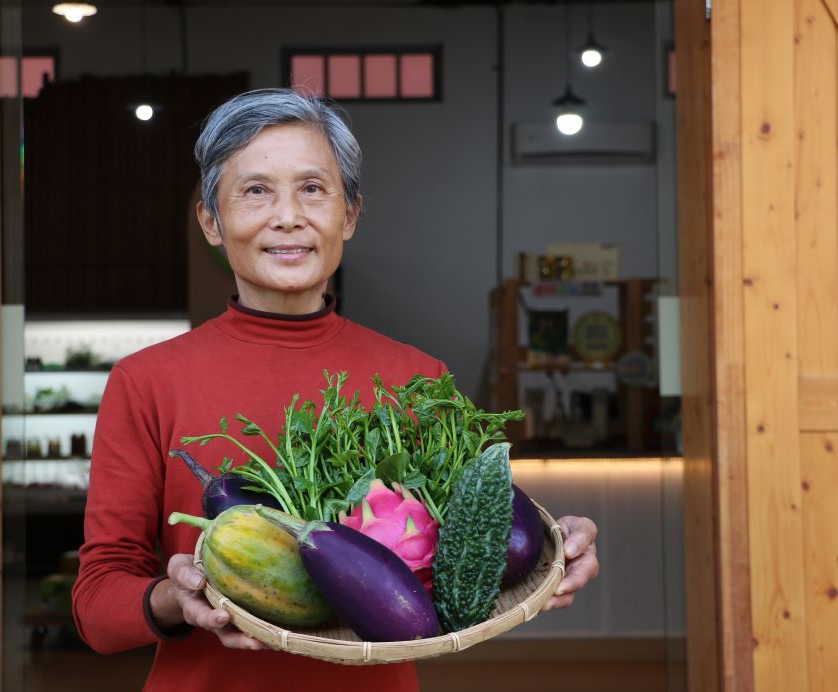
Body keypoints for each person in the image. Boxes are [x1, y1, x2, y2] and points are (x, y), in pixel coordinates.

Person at [72, 88, 600, 692]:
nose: (288, 216)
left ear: (348, 215)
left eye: (313, 188)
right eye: (255, 190)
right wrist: (175, 597)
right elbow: (96, 608)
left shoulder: (417, 380)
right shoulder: (146, 382)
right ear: (210, 221)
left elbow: (464, 559)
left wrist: (551, 550)